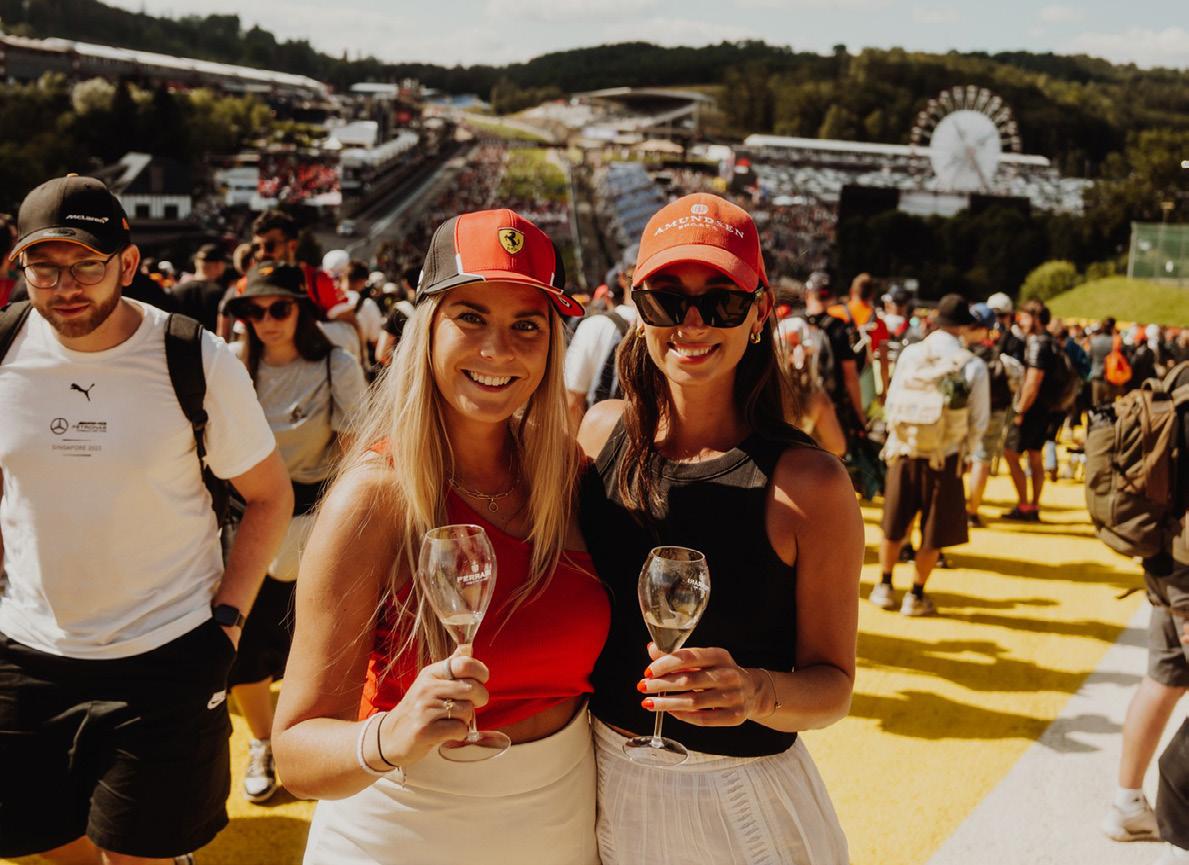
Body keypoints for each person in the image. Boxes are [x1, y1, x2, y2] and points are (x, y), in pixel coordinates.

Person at [272, 209, 607, 865]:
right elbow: (295, 753)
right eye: (471, 317)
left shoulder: (570, 475)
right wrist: (391, 734)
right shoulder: (374, 497)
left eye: (527, 325)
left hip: (560, 826)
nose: (497, 349)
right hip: (401, 833)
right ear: (427, 327)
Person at [0, 175, 292, 865]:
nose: (65, 286)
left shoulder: (193, 357)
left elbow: (268, 496)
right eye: (44, 267)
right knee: (46, 845)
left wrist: (228, 622)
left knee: (143, 856)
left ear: (127, 264)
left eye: (86, 265)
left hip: (166, 654)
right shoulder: (4, 349)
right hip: (27, 653)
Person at [578, 193, 859, 864]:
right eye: (667, 299)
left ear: (760, 313)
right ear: (637, 307)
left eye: (722, 301)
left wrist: (754, 691)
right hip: (595, 779)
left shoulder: (808, 485)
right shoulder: (598, 435)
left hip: (734, 801)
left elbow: (833, 685)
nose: (693, 322)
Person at [220, 261, 367, 803]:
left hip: (313, 520)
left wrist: (346, 531)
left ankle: (314, 745)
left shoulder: (334, 365)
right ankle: (262, 743)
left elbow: (354, 453)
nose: (267, 321)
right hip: (244, 523)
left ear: (301, 310)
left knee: (319, 643)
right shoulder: (231, 366)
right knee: (241, 643)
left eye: (279, 308)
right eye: (253, 312)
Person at [1103, 361, 1189, 854]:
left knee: (1164, 678)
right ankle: (1180, 832)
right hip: (1187, 568)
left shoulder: (1178, 379)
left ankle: (1127, 803)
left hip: (1164, 554)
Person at [872, 294, 989, 615]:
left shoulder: (911, 354)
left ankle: (884, 585)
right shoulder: (972, 364)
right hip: (945, 456)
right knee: (933, 533)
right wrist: (968, 452)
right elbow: (979, 419)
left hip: (905, 449)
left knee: (894, 524)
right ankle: (916, 595)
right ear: (964, 326)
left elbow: (892, 400)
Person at [564, 244, 638, 429]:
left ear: (622, 278)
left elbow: (573, 400)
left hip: (602, 438)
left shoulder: (595, 326)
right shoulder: (669, 327)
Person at [1002, 299, 1062, 522]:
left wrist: (1020, 410)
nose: (1021, 321)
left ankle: (1024, 504)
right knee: (1036, 456)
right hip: (1046, 409)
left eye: (1026, 317)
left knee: (1010, 453)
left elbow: (1033, 382)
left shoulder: (1037, 343)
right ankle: (1034, 505)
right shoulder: (1052, 341)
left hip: (1032, 409)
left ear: (1036, 318)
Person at [966, 303, 1018, 526]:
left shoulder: (961, 351)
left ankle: (957, 507)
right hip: (993, 410)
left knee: (959, 459)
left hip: (964, 410)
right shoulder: (995, 351)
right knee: (982, 460)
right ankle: (972, 511)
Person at [170, 243, 229, 332]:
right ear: (218, 265)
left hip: (180, 339)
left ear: (196, 263)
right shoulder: (221, 293)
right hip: (210, 340)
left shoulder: (176, 290)